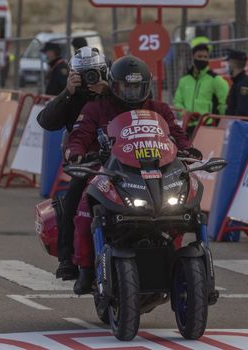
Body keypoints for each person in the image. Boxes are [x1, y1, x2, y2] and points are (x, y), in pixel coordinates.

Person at [65, 55, 202, 294]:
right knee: (85, 210)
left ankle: (175, 261)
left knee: (183, 209)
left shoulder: (159, 108)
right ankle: (86, 267)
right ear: (113, 85)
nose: (131, 92)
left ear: (146, 86)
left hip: (156, 172)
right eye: (125, 87)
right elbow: (80, 135)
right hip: (111, 171)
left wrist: (187, 148)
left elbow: (176, 134)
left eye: (136, 87)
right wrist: (76, 152)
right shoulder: (96, 107)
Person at [37, 46, 109, 280]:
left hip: (123, 157)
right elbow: (46, 121)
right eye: (84, 73)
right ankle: (67, 259)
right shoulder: (72, 97)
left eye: (95, 72)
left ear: (104, 71)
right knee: (73, 199)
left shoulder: (116, 92)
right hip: (86, 162)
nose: (90, 78)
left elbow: (141, 109)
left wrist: (109, 92)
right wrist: (67, 92)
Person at [173, 43, 229, 134]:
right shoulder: (184, 80)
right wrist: (185, 114)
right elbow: (178, 101)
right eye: (199, 56)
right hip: (187, 125)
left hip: (207, 126)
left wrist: (220, 121)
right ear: (193, 57)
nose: (202, 59)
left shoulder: (215, 79)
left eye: (205, 57)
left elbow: (224, 102)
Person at [226, 49, 248, 117]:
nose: (227, 66)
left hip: (238, 126)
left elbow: (243, 112)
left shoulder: (244, 84)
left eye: (228, 63)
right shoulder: (237, 82)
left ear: (233, 64)